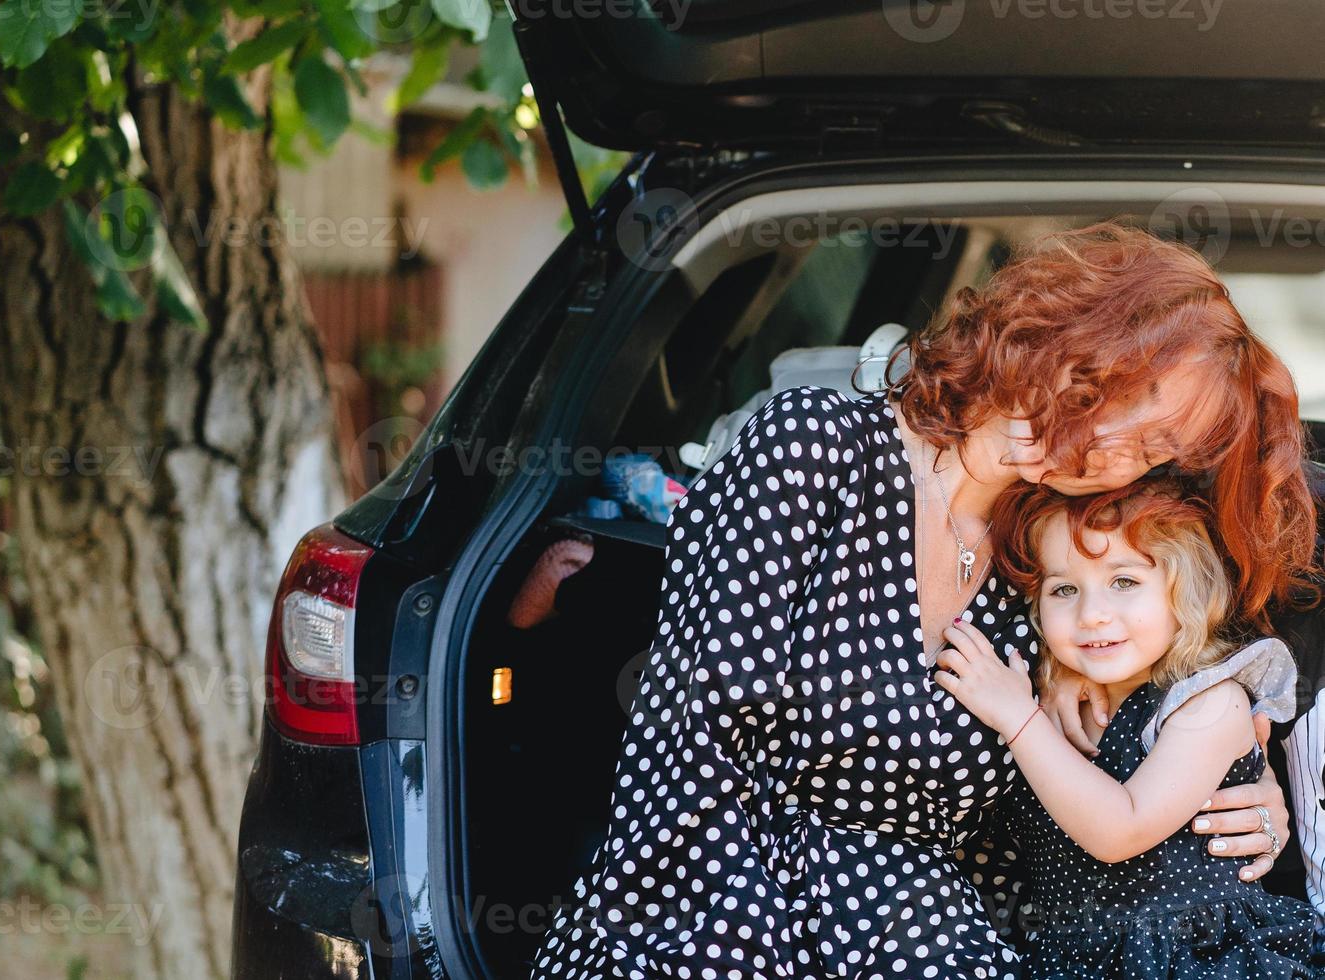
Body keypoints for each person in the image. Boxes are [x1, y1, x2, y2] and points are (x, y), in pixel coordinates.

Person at [528, 221, 1310, 979]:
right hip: (702, 910)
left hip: (918, 933)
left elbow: (1059, 819)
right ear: (1063, 329)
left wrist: (1249, 792)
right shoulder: (811, 449)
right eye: (1126, 395)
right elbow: (685, 756)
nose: (1116, 450)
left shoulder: (1045, 573)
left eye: (1151, 450)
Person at [932, 477, 1315, 977]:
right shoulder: (1046, 697)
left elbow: (1121, 829)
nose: (1092, 614)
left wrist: (1016, 718)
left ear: (1186, 591)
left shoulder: (1207, 704)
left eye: (1125, 582)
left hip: (1191, 958)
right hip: (1066, 957)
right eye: (1064, 589)